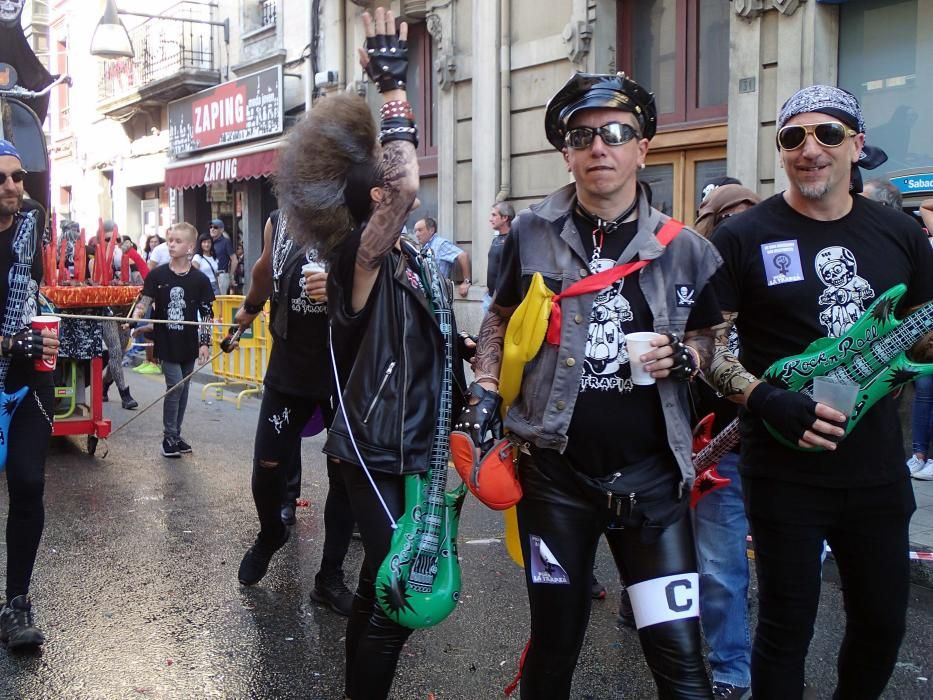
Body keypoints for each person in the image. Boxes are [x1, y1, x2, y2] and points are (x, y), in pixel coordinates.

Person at [464, 72, 721, 698]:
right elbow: (498, 318)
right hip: (558, 482)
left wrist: (686, 358)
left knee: (682, 664)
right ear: (567, 153)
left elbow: (712, 341)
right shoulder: (527, 233)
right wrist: (486, 389)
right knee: (554, 649)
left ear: (643, 147)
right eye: (583, 136)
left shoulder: (685, 248)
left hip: (655, 486)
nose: (598, 147)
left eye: (615, 133)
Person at [708, 85, 933, 699]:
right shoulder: (743, 236)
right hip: (782, 466)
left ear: (856, 146)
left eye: (828, 134)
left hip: (876, 466)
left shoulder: (900, 234)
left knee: (883, 623)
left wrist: (904, 355)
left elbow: (922, 339)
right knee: (786, 626)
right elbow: (708, 348)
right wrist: (764, 398)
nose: (810, 150)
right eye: (793, 137)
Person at [276, 9, 468, 698]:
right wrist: (392, 85)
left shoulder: (409, 261)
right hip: (376, 449)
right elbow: (411, 182)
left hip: (408, 445)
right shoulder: (356, 254)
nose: (398, 187)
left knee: (374, 585)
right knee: (398, 601)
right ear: (373, 199)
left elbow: (428, 343)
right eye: (386, 188)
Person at [234, 209, 356, 619]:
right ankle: (271, 534)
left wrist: (338, 289)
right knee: (267, 464)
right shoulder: (278, 218)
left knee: (344, 471)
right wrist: (249, 309)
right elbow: (266, 270)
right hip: (291, 365)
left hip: (344, 368)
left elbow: (387, 287)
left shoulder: (361, 216)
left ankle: (330, 577)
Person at [692, 183, 762, 700]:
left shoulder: (778, 275)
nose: (741, 226)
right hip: (718, 447)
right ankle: (730, 670)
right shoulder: (696, 281)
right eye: (730, 217)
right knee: (719, 567)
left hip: (786, 447)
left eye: (750, 215)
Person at [0, 139, 61, 650]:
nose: (13, 187)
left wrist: (45, 328)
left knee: (27, 483)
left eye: (18, 177)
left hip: (27, 381)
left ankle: (16, 603)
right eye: (1, 179)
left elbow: (34, 291)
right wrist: (5, 339)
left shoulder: (30, 224)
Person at [131, 222, 215, 458]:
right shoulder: (157, 275)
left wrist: (205, 343)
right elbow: (145, 301)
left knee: (184, 388)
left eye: (178, 241)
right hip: (165, 340)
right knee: (175, 385)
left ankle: (176, 435)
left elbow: (207, 313)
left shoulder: (199, 279)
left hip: (188, 341)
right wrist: (134, 318)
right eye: (170, 240)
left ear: (190, 247)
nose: (172, 245)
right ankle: (168, 436)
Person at [412, 216, 472, 297]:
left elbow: (463, 256)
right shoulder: (424, 247)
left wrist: (466, 282)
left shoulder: (440, 244)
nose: (417, 234)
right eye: (415, 231)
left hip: (439, 295)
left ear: (431, 230)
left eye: (420, 230)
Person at [483, 201, 514, 313]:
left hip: (501, 302)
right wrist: (487, 290)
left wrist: (495, 300)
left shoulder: (512, 240)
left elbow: (506, 274)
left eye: (494, 215)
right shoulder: (496, 239)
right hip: (490, 297)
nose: (490, 219)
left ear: (505, 217)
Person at [208, 218, 236, 293]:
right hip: (209, 275)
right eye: (211, 227)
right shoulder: (208, 242)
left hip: (221, 275)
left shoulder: (226, 242)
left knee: (221, 302)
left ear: (221, 230)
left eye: (215, 227)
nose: (212, 229)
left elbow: (234, 260)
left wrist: (231, 275)